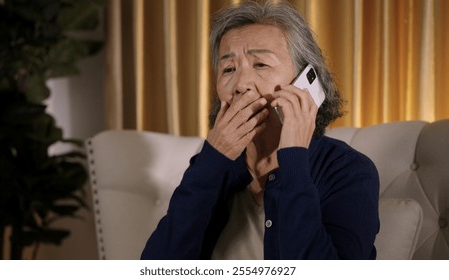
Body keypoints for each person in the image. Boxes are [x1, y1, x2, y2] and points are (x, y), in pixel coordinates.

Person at [141, 0, 379, 260]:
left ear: (303, 81)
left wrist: (294, 160)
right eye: (228, 69)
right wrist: (211, 160)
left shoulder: (349, 171)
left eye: (261, 65)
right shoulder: (213, 167)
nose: (241, 84)